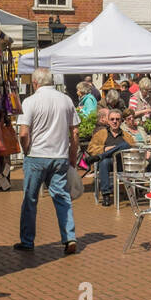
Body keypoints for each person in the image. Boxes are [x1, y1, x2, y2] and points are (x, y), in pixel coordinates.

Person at [17, 68, 80, 254]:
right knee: (62, 197)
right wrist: (73, 156)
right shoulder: (66, 100)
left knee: (30, 198)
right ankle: (69, 237)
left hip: (37, 155)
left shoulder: (30, 102)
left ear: (35, 83)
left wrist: (26, 149)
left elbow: (23, 133)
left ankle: (27, 241)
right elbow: (75, 132)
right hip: (59, 156)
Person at [86, 107, 136, 206]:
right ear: (108, 121)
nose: (114, 122)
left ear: (121, 121)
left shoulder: (126, 135)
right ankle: (106, 195)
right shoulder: (101, 134)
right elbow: (90, 148)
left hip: (122, 163)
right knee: (104, 162)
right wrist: (104, 149)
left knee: (125, 145)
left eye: (117, 119)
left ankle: (100, 156)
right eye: (112, 119)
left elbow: (133, 148)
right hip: (108, 163)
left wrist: (117, 149)